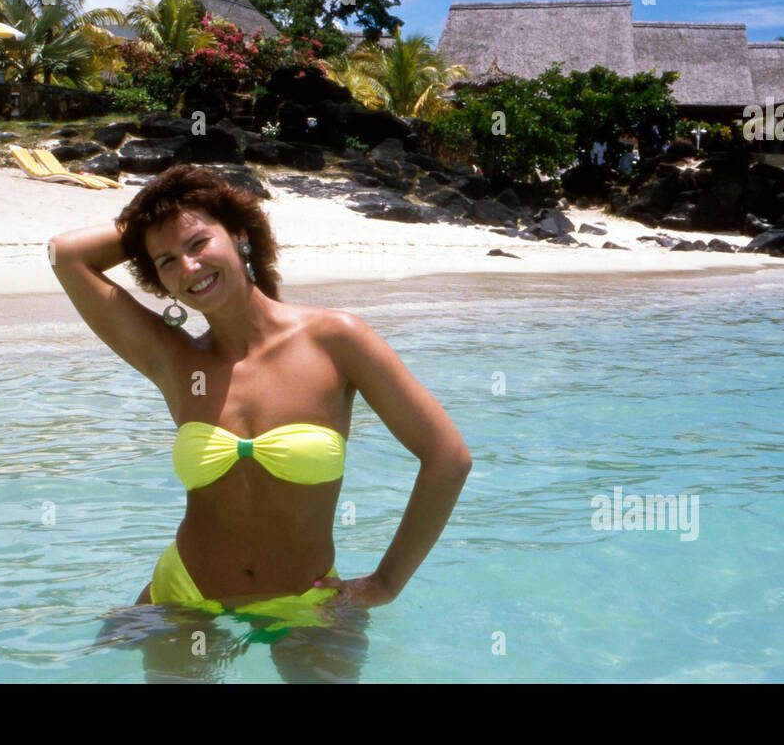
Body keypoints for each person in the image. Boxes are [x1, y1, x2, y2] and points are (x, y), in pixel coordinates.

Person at [49, 164, 471, 677]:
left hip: (308, 604)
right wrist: (154, 216)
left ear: (240, 236)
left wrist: (385, 583)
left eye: (200, 242)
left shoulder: (335, 340)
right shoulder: (174, 360)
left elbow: (447, 457)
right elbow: (67, 254)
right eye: (166, 262)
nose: (188, 267)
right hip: (185, 598)